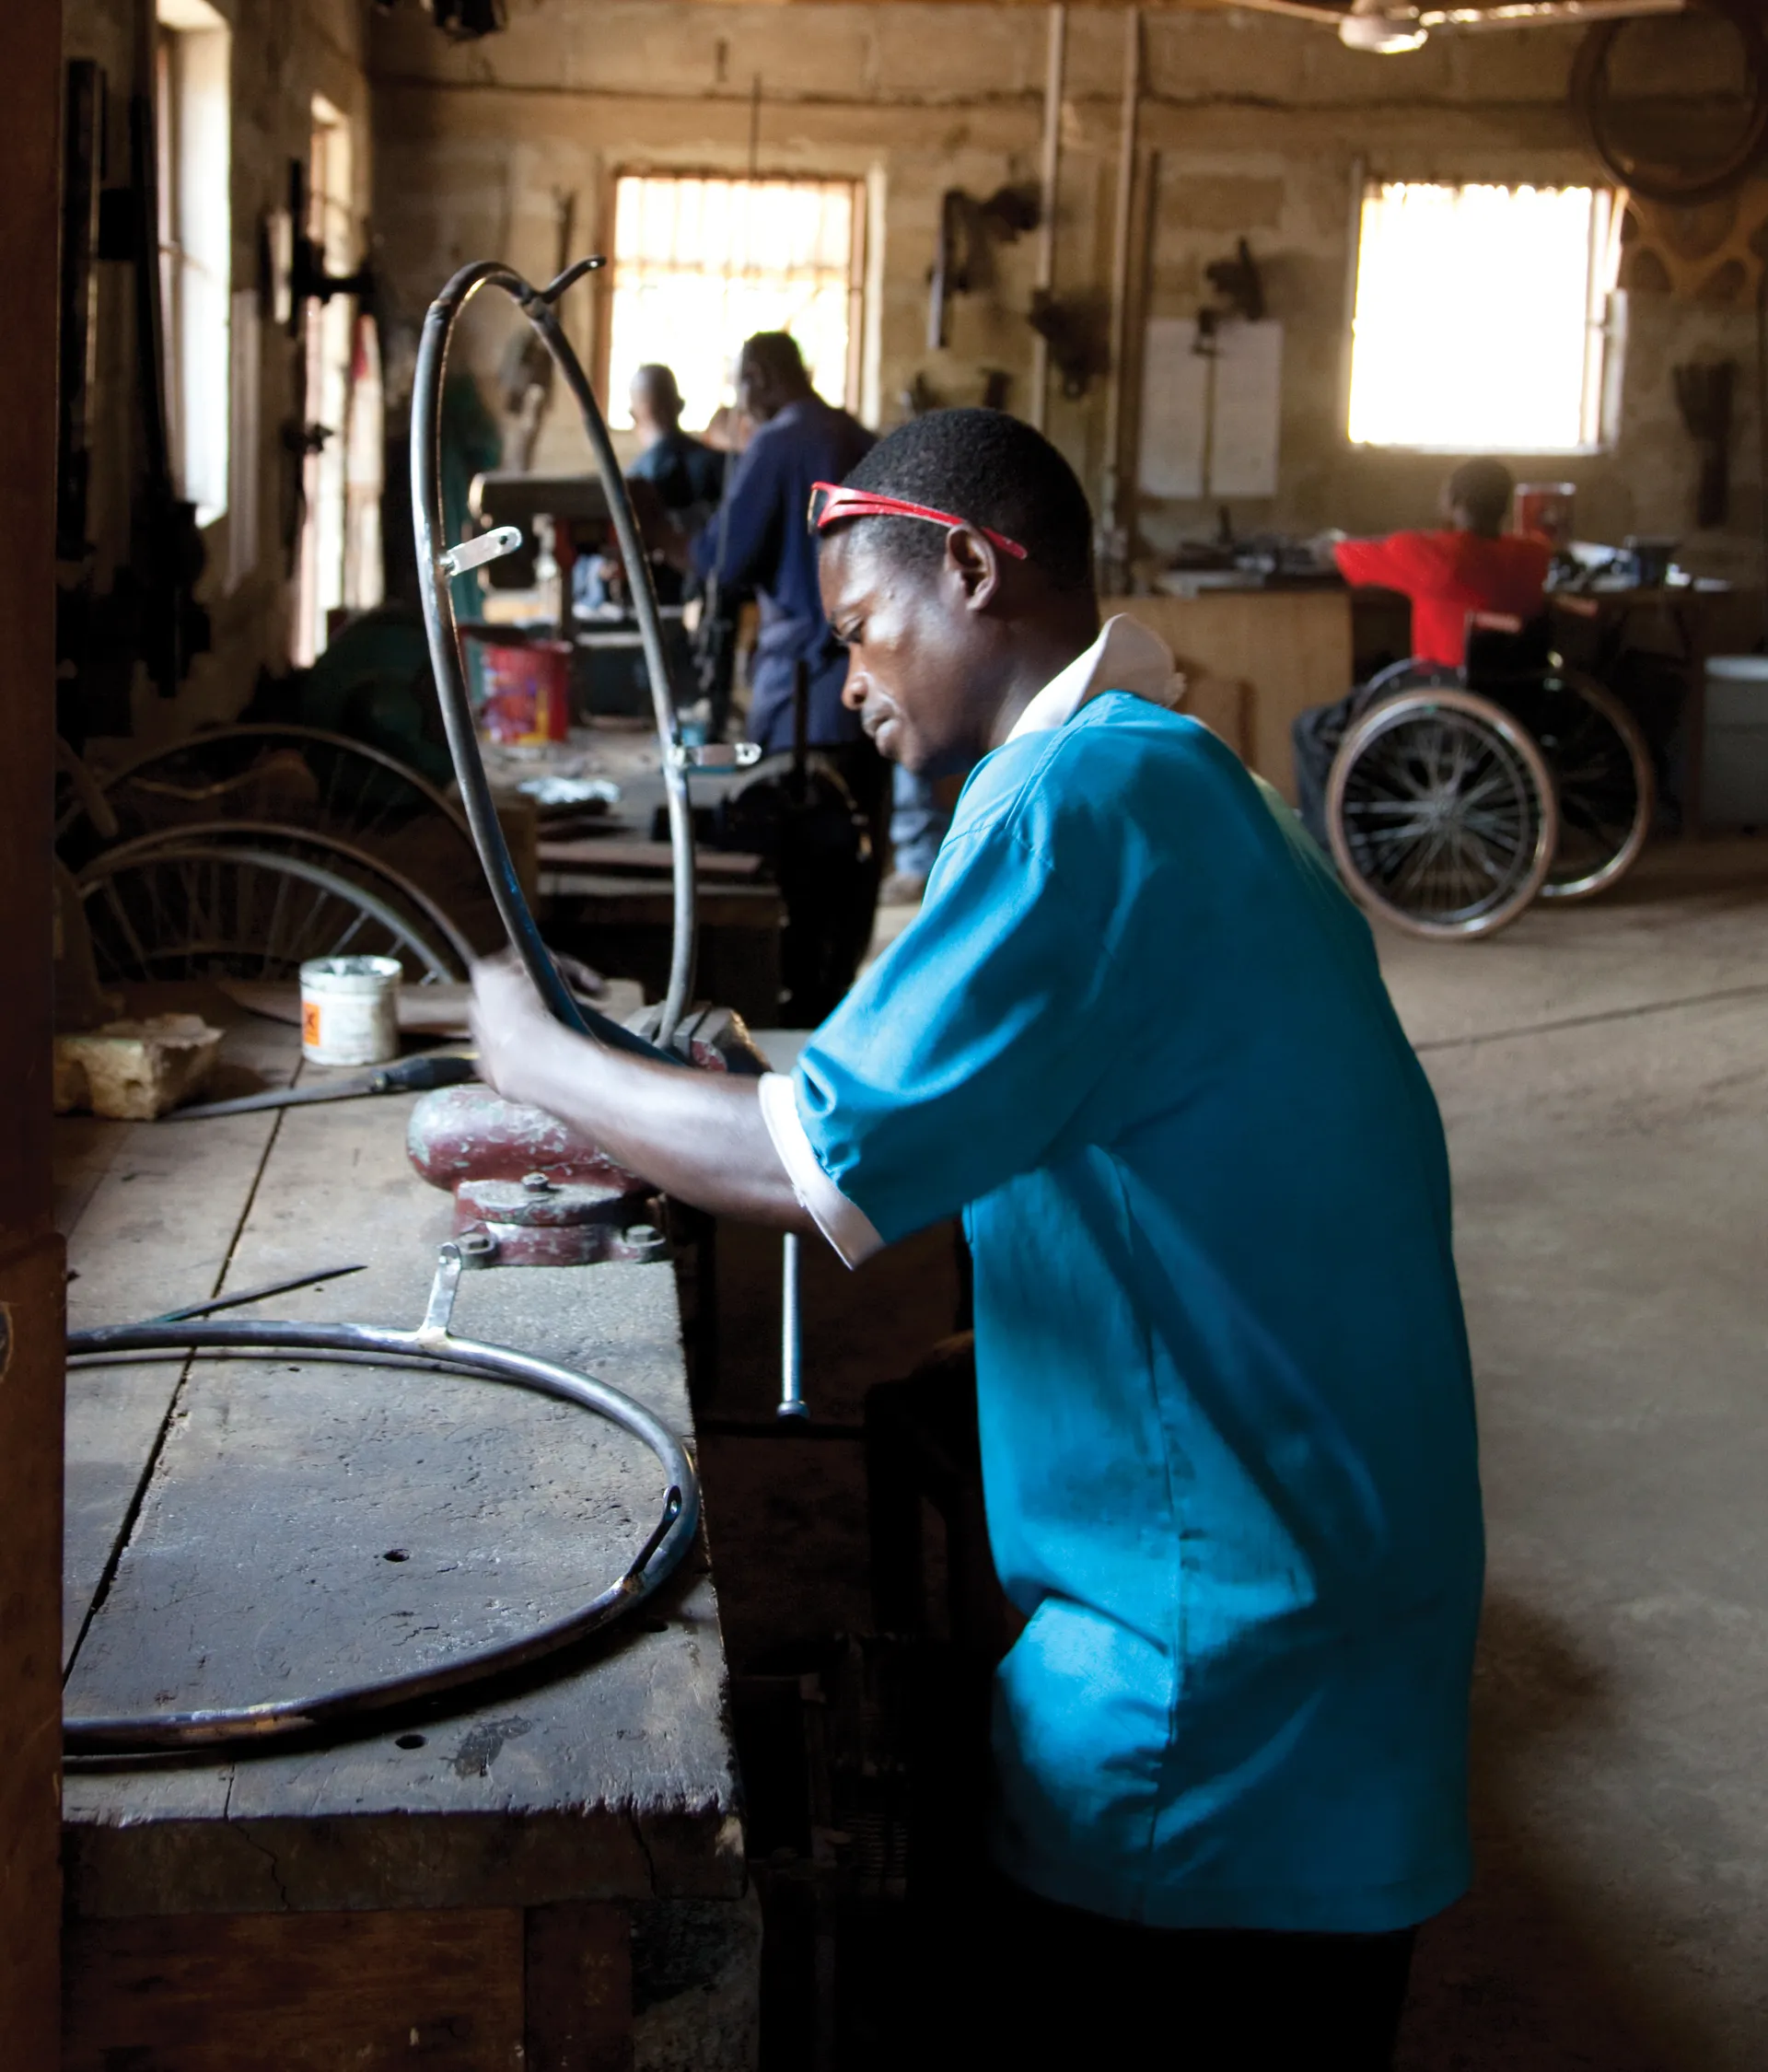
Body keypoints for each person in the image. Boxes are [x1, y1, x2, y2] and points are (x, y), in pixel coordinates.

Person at [470, 408, 1484, 2069]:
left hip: (1212, 1694)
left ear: (970, 568)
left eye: (867, 632)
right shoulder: (1169, 775)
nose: (853, 680)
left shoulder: (1074, 812)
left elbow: (814, 1169)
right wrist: (748, 1084)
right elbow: (932, 1085)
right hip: (1334, 1625)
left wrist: (541, 1061)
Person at [1291, 458, 1551, 847]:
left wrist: (1327, 544)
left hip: (1440, 700)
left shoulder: (1431, 556)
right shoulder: (1533, 557)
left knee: (1312, 727)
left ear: (1455, 501)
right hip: (1514, 698)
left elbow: (1344, 555)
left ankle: (1329, 851)